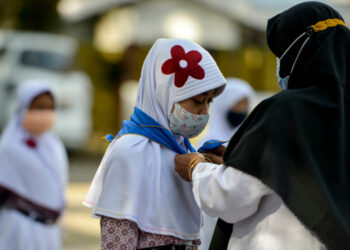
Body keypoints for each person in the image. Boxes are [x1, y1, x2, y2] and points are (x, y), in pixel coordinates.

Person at [174, 2, 350, 250]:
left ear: (296, 50)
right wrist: (241, 162)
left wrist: (196, 168)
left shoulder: (286, 111)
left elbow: (231, 198)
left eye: (279, 54)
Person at [83, 38, 227, 249]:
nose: (204, 112)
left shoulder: (185, 152)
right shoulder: (129, 152)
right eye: (197, 100)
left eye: (209, 101)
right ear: (164, 91)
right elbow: (118, 241)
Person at [0, 80, 68, 250]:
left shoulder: (54, 144)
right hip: (21, 229)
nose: (45, 113)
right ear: (23, 108)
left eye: (50, 108)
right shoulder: (10, 147)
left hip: (50, 230)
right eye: (38, 107)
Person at [195, 78, 254, 250]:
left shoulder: (250, 144)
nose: (241, 110)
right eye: (237, 104)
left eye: (245, 105)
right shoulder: (204, 145)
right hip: (207, 222)